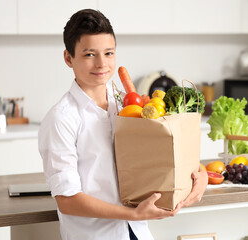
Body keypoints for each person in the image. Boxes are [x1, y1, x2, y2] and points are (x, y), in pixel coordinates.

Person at [38, 9, 208, 240]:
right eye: (89, 54)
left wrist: (201, 175)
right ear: (69, 58)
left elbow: (161, 154)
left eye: (108, 53)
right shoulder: (61, 119)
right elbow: (67, 200)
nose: (101, 63)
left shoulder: (126, 102)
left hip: (138, 233)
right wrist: (133, 214)